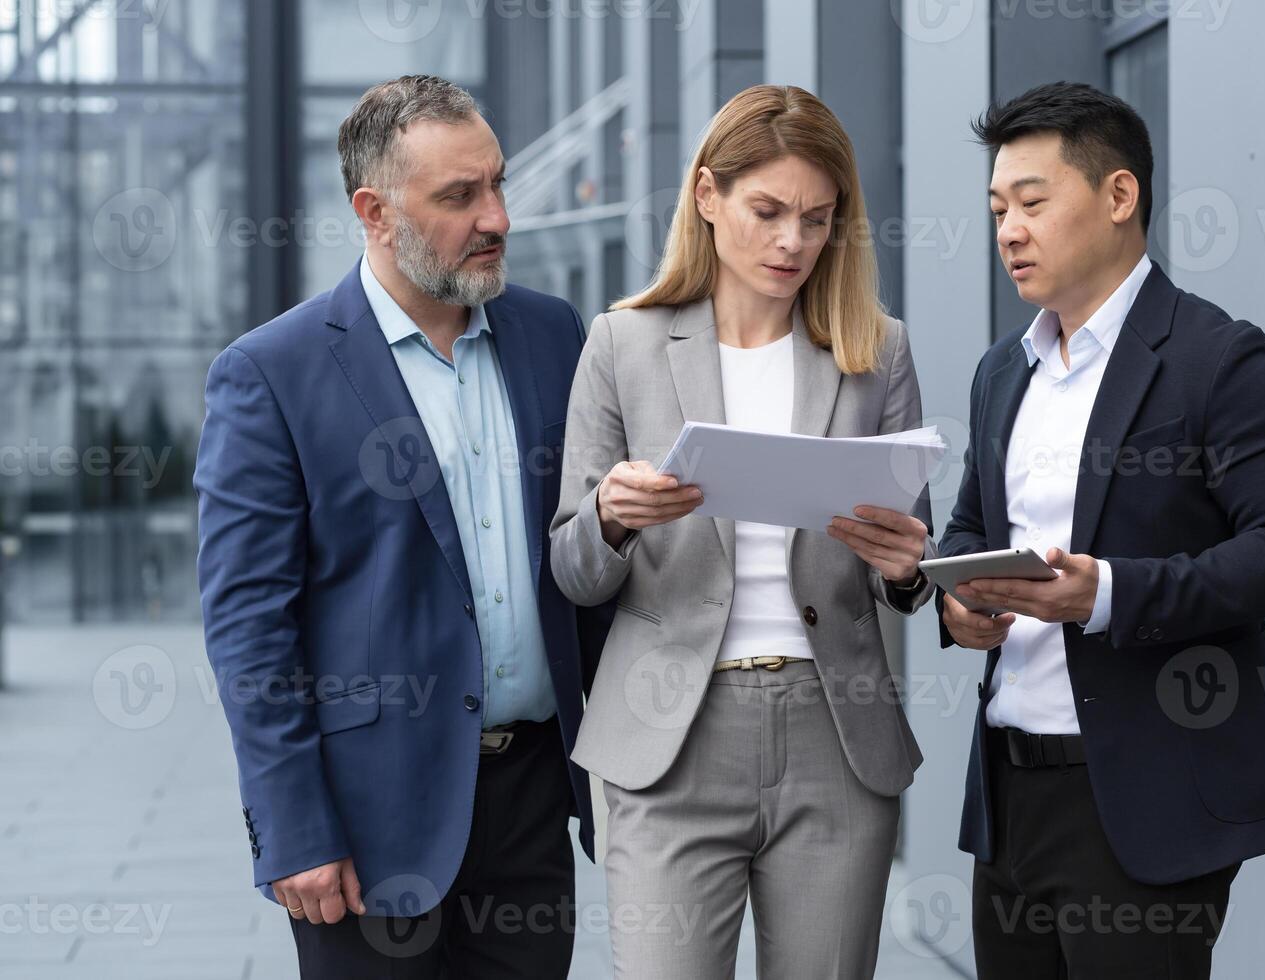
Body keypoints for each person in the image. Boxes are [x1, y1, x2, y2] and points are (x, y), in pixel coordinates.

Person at [195, 74, 611, 978]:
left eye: (497, 183)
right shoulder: (271, 374)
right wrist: (292, 826)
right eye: (459, 196)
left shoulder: (551, 335)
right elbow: (246, 627)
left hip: (534, 801)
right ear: (374, 211)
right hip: (365, 825)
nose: (496, 216)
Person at [937, 81, 1265, 978]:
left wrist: (1111, 592)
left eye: (1033, 203)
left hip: (1146, 797)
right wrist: (960, 609)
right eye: (998, 208)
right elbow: (973, 526)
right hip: (1008, 797)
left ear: (1119, 197)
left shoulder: (1218, 357)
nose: (1008, 229)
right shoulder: (1002, 372)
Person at [549, 84, 937, 979]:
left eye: (816, 218)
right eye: (767, 211)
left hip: (835, 738)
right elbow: (573, 571)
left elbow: (905, 570)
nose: (793, 241)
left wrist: (908, 567)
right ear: (707, 195)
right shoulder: (623, 344)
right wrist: (609, 518)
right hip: (667, 740)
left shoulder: (876, 352)